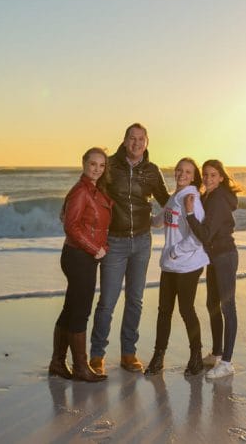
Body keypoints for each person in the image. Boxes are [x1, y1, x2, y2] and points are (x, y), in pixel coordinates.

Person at [89, 123, 170, 374]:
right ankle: (96, 355)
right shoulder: (110, 166)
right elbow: (91, 194)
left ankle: (128, 353)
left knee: (135, 299)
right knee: (108, 301)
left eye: (141, 139)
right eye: (131, 138)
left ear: (147, 142)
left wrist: (191, 200)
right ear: (124, 141)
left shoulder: (152, 171)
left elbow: (167, 201)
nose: (136, 143)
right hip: (115, 242)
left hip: (142, 242)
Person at [49, 147, 112, 382]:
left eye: (102, 165)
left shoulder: (93, 190)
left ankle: (57, 363)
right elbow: (71, 227)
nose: (97, 169)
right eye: (93, 164)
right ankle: (80, 368)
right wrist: (95, 248)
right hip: (79, 256)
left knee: (70, 309)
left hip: (82, 256)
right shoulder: (81, 191)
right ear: (84, 163)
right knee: (81, 312)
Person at [144, 158, 210, 376]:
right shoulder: (174, 197)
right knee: (164, 311)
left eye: (187, 171)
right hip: (170, 265)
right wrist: (140, 211)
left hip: (188, 264)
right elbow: (159, 221)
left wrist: (174, 251)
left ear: (193, 176)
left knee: (186, 310)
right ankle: (158, 357)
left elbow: (197, 237)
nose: (182, 174)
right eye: (179, 170)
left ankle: (196, 357)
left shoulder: (192, 199)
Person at [185, 159, 241, 380]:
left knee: (228, 308)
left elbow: (206, 233)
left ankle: (227, 362)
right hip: (214, 257)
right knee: (212, 304)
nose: (208, 178)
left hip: (225, 256)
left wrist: (189, 215)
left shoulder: (217, 199)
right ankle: (217, 353)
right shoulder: (209, 196)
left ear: (221, 177)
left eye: (213, 175)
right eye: (205, 175)